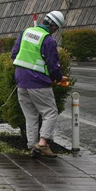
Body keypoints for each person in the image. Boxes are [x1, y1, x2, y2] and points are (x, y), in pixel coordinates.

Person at [11, 10, 69, 159]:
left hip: (21, 80)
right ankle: (42, 143)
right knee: (50, 112)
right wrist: (59, 78)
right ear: (54, 27)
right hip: (38, 82)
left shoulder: (26, 32)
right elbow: (53, 65)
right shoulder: (48, 40)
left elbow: (14, 54)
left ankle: (32, 146)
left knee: (30, 115)